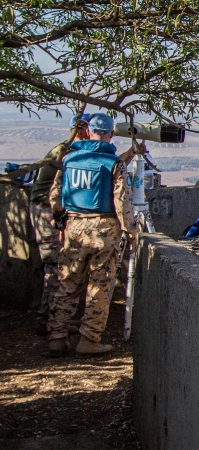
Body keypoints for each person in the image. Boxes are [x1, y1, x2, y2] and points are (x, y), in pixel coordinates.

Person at [47, 113, 140, 356]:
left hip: (74, 226)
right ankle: (89, 339)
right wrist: (131, 232)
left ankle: (56, 338)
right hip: (105, 230)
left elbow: (56, 196)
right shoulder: (113, 164)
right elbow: (122, 202)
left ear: (88, 132)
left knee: (67, 283)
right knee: (98, 286)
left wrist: (61, 224)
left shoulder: (70, 159)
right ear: (111, 134)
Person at [28, 114, 91, 335]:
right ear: (82, 130)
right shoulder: (68, 152)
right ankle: (47, 319)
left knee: (55, 266)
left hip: (50, 210)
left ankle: (51, 318)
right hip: (47, 211)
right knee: (55, 267)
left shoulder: (68, 149)